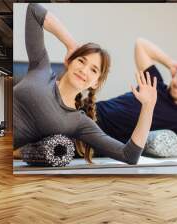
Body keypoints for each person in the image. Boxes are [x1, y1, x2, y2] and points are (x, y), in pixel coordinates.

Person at [13, 4, 157, 165]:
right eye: (81, 60)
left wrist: (148, 107)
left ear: (95, 83)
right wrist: (71, 45)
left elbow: (129, 155)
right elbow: (34, 10)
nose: (84, 70)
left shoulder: (78, 122)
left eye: (94, 70)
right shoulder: (41, 68)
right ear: (69, 61)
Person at [96, 38, 177, 155]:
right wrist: (170, 63)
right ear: (174, 75)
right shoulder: (156, 82)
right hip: (93, 112)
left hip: (101, 138)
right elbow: (141, 44)